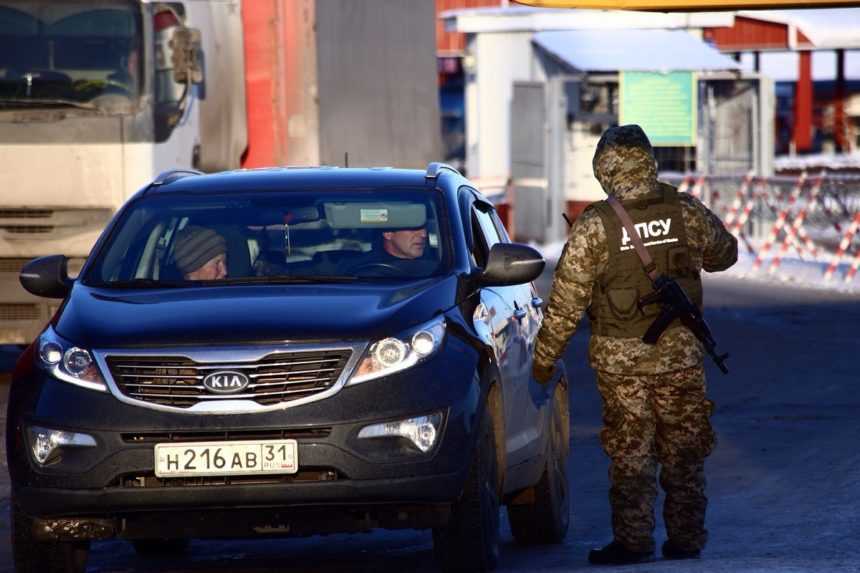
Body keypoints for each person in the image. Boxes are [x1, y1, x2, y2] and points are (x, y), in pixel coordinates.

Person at [532, 125, 737, 565]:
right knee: (684, 446)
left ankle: (634, 540)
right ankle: (686, 539)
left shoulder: (596, 225)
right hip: (681, 355)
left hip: (620, 362)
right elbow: (726, 254)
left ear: (604, 168)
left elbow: (566, 302)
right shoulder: (684, 209)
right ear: (647, 160)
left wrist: (544, 360)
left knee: (631, 450)